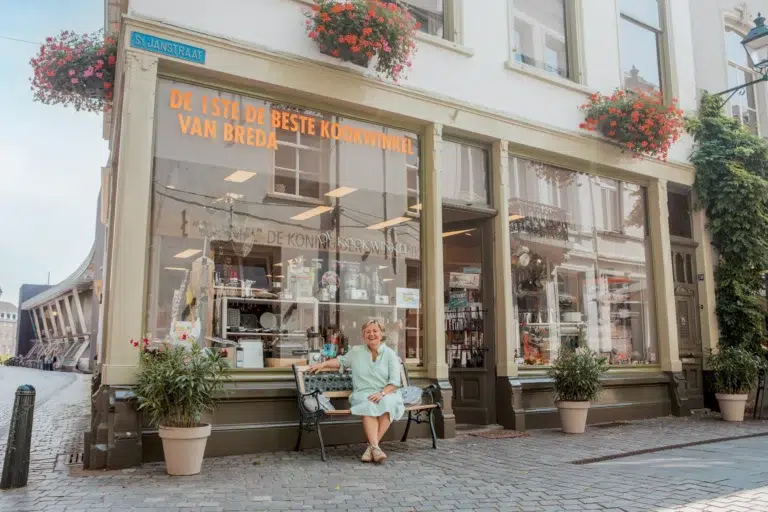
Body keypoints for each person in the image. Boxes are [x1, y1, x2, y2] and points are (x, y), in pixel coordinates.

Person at [307, 319, 404, 463]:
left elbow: (395, 382)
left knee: (388, 403)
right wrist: (324, 363)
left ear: (382, 333)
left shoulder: (390, 354)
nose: (371, 334)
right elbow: (340, 362)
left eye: (375, 331)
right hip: (363, 393)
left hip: (386, 392)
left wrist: (382, 393)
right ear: (363, 335)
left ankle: (372, 447)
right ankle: (375, 448)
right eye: (368, 332)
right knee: (368, 404)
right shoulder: (356, 351)